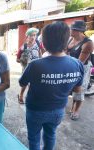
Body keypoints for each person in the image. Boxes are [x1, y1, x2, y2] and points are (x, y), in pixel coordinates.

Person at [19, 21, 84, 150]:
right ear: (66, 41)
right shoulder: (77, 64)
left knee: (34, 137)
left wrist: (21, 95)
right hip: (58, 110)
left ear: (44, 42)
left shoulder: (35, 65)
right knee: (50, 134)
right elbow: (77, 89)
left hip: (36, 109)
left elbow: (22, 83)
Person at [67, 20, 94, 120]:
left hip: (82, 67)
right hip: (71, 64)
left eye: (72, 29)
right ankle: (73, 106)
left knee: (79, 89)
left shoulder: (88, 43)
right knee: (73, 88)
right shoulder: (71, 39)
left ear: (78, 31)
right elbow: (65, 51)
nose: (70, 30)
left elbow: (80, 62)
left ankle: (76, 110)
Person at [16, 27, 42, 104]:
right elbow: (17, 59)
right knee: (25, 83)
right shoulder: (23, 47)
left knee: (33, 84)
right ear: (27, 36)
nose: (33, 37)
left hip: (36, 68)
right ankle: (20, 95)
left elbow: (40, 53)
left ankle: (30, 98)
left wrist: (41, 61)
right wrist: (23, 60)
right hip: (26, 68)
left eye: (34, 35)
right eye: (31, 35)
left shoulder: (38, 43)